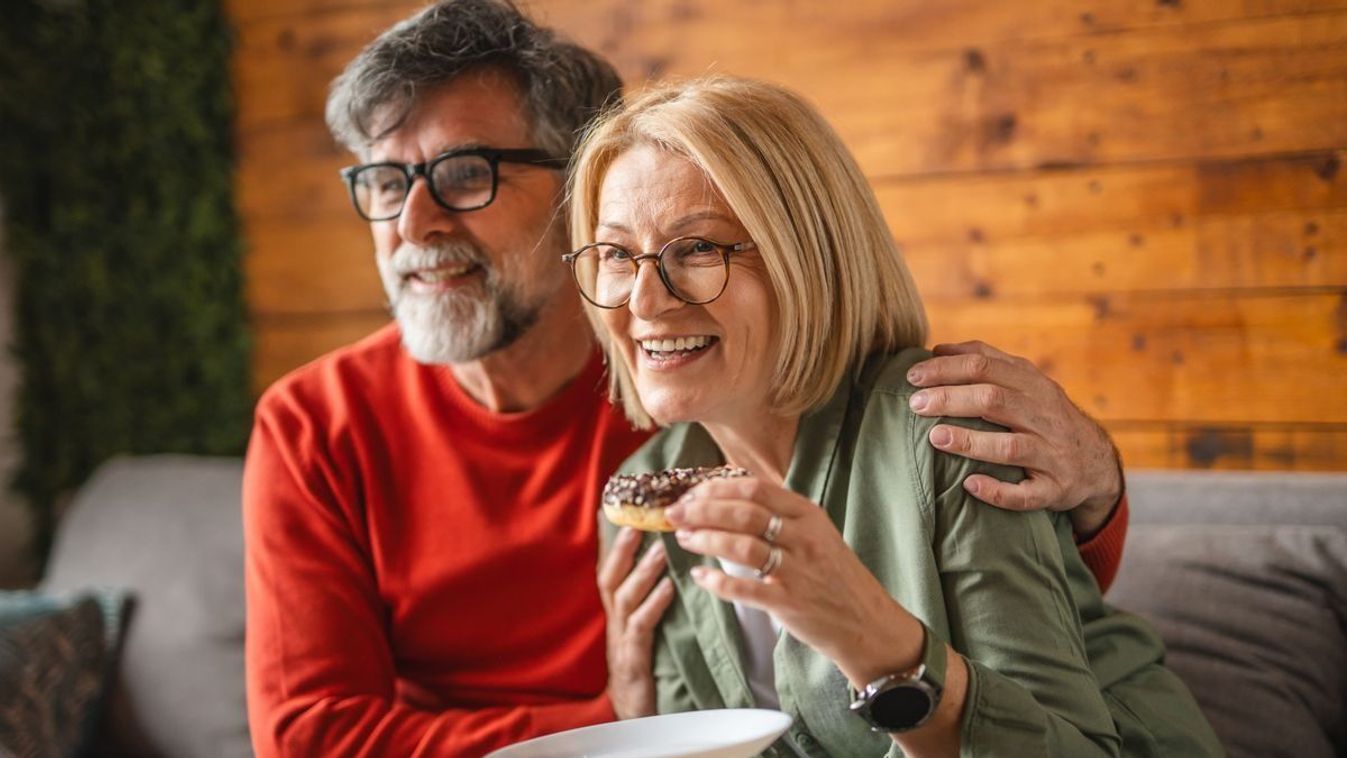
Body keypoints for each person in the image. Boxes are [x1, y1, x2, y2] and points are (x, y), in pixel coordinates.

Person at [243, 2, 1132, 755]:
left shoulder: (711, 372)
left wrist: (1092, 487)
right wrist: (619, 723)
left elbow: (937, 536)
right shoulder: (318, 421)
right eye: (385, 181)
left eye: (464, 174)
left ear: (569, 198)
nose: (413, 220)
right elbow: (310, 735)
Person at [570, 76, 1222, 756]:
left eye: (698, 248)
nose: (643, 301)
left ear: (807, 258)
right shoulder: (648, 495)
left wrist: (877, 645)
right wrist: (631, 713)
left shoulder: (947, 434)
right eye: (616, 254)